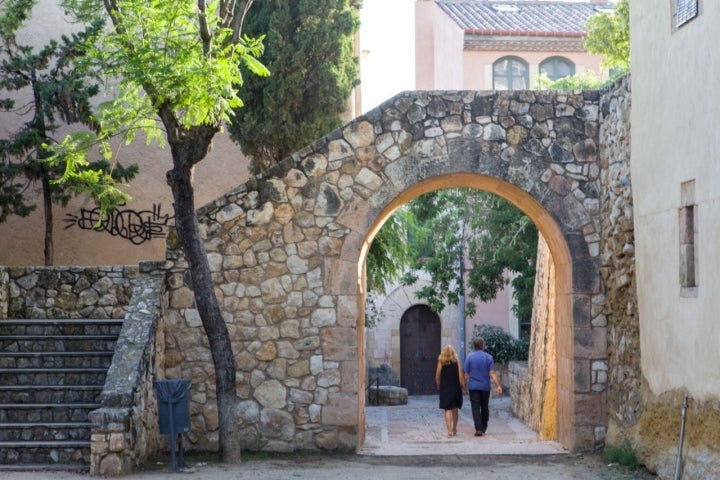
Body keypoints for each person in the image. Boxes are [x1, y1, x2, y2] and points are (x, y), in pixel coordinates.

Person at [463, 337, 502, 437]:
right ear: (482, 345)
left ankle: (478, 428)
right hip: (485, 387)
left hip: (473, 387)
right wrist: (498, 385)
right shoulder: (488, 357)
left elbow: (466, 374)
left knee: (475, 408)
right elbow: (492, 372)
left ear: (474, 346)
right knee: (485, 407)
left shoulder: (469, 357)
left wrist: (463, 386)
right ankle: (484, 426)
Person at [435, 345, 466, 437]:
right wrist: (463, 387)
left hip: (445, 388)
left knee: (447, 409)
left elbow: (437, 375)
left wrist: (438, 384)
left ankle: (449, 431)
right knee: (455, 409)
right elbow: (460, 376)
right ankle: (454, 428)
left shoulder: (441, 362)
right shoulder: (457, 362)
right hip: (455, 388)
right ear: (453, 353)